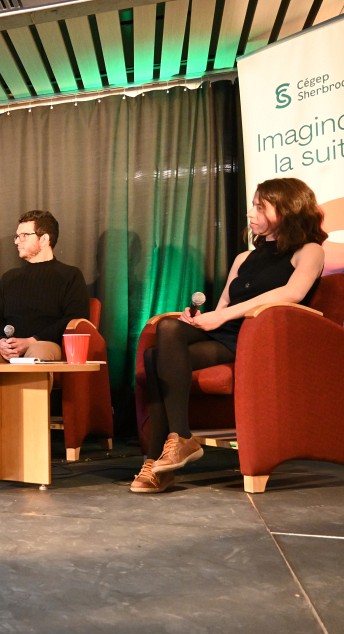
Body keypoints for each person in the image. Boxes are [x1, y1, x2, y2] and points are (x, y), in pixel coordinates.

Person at [133, 177, 326, 493]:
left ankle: (160, 460)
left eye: (260, 206)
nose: (251, 213)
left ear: (288, 209)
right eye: (253, 205)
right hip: (226, 334)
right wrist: (200, 319)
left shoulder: (310, 250)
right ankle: (175, 444)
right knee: (160, 344)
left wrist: (222, 315)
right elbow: (222, 305)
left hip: (260, 339)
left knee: (161, 350)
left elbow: (293, 292)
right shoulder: (243, 258)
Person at [0, 210, 89, 364]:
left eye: (24, 236)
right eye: (17, 236)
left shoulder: (70, 275)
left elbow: (74, 317)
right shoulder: (10, 278)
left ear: (44, 239)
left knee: (37, 352)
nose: (16, 241)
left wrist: (32, 341)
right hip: (7, 351)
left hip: (46, 344)